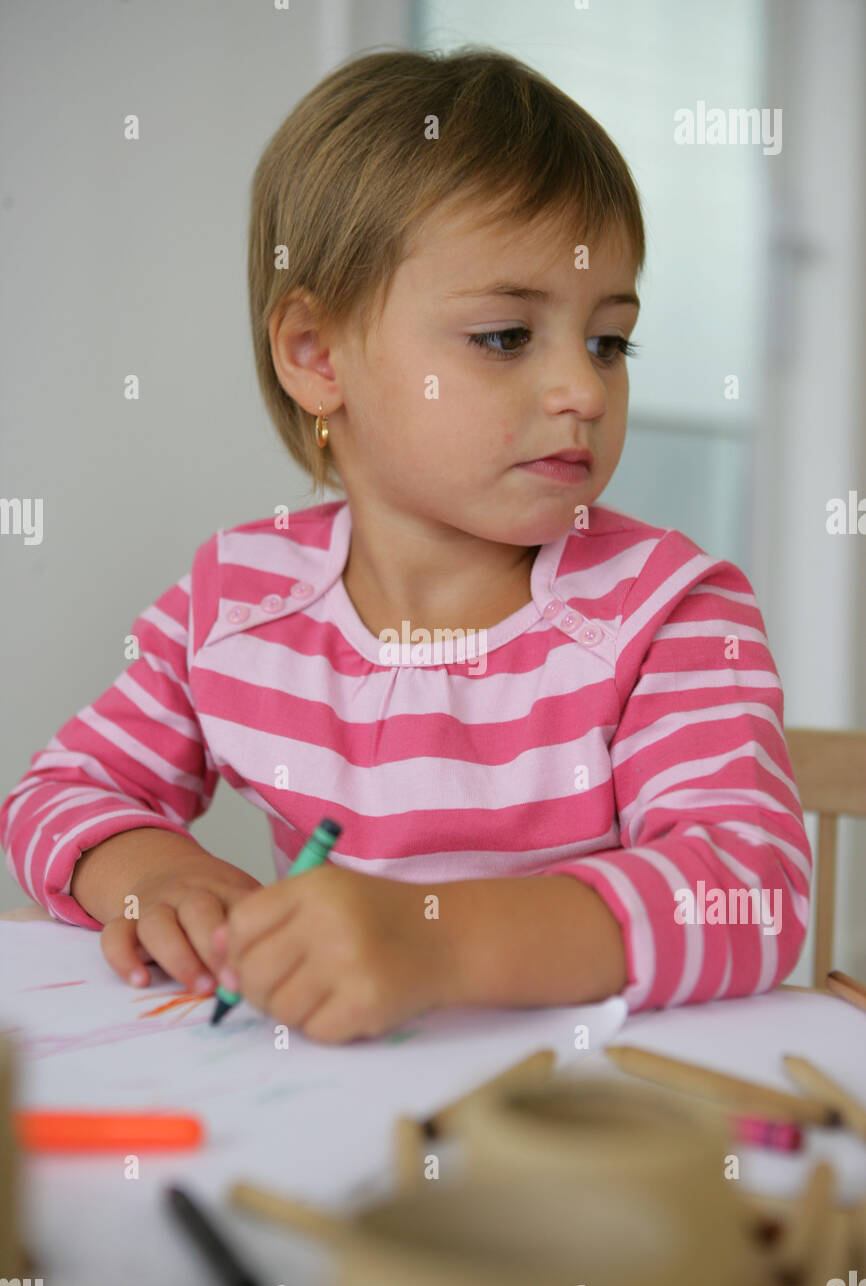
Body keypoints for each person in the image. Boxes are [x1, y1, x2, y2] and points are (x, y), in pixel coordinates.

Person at [0, 48, 812, 1043]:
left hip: (578, 1129)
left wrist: (436, 942)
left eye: (608, 342)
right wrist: (151, 870)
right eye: (506, 335)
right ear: (315, 354)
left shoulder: (668, 609)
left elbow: (747, 889)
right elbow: (61, 790)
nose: (584, 392)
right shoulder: (237, 600)